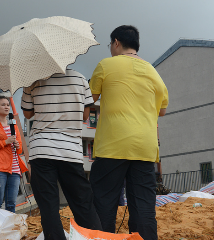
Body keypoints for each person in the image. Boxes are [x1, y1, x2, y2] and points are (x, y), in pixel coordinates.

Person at [89, 25, 168, 239]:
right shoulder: (153, 72)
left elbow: (90, 99)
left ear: (116, 42)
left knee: (104, 203)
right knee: (143, 206)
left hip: (112, 146)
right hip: (145, 148)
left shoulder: (106, 65)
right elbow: (162, 110)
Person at [21, 69, 102, 240]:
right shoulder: (79, 78)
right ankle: (95, 238)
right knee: (82, 202)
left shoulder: (32, 80)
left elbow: (27, 113)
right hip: (69, 151)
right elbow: (85, 115)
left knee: (48, 206)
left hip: (41, 150)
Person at [0, 96, 28, 214]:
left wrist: (18, 146)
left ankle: (9, 230)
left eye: (8, 104)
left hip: (14, 168)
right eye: (3, 104)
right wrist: (5, 142)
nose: (6, 107)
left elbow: (20, 150)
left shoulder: (14, 125)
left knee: (11, 203)